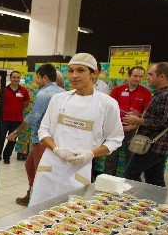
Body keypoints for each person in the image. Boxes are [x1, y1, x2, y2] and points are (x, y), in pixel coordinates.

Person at [29, 54, 123, 206]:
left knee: (69, 213)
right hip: (50, 165)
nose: (74, 76)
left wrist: (91, 153)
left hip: (78, 169)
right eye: (71, 71)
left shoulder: (107, 104)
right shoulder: (59, 99)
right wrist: (56, 149)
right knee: (38, 209)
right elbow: (44, 130)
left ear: (94, 74)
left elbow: (115, 139)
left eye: (80, 70)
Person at [7, 64, 64, 205]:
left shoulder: (43, 94)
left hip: (42, 139)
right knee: (30, 166)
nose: (36, 81)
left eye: (38, 77)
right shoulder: (62, 92)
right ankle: (31, 194)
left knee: (40, 171)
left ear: (45, 77)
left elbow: (33, 117)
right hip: (54, 138)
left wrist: (16, 132)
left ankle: (40, 201)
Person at [122, 62, 168, 187]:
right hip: (155, 145)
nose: (147, 77)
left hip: (154, 145)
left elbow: (163, 122)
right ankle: (157, 203)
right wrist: (140, 116)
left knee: (130, 173)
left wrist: (138, 121)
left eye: (150, 74)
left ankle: (141, 202)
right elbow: (159, 117)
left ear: (162, 77)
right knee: (154, 180)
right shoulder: (162, 93)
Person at [103, 66, 152, 175]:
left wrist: (135, 124)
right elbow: (110, 111)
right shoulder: (117, 90)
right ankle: (106, 181)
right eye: (135, 76)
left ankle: (128, 183)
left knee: (131, 159)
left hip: (134, 130)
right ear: (128, 76)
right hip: (116, 129)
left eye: (140, 77)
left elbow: (147, 115)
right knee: (110, 157)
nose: (138, 79)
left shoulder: (146, 93)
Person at [0, 71, 29, 164]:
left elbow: (26, 103)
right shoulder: (3, 89)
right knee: (0, 139)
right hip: (4, 119)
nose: (16, 79)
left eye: (18, 78)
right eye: (14, 77)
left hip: (17, 120)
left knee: (12, 140)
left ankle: (6, 157)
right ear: (10, 78)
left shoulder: (23, 90)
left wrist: (18, 109)